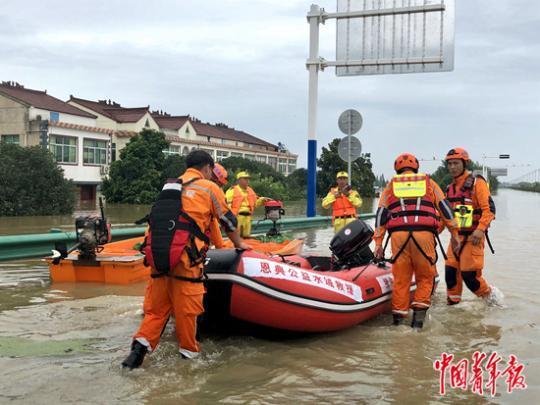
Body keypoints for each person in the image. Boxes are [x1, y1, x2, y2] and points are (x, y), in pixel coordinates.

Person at [122, 151, 249, 369]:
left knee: (156, 313)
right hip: (185, 260)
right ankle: (188, 359)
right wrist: (239, 245)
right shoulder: (209, 188)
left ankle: (135, 356)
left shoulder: (170, 187)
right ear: (208, 168)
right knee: (188, 312)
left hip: (158, 258)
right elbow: (227, 222)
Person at [373, 153, 460, 328]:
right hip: (424, 236)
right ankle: (417, 324)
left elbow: (381, 214)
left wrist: (378, 243)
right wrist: (455, 234)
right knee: (425, 277)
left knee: (401, 279)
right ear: (416, 167)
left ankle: (398, 322)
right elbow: (445, 209)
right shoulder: (429, 183)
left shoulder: (391, 185)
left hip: (399, 237)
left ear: (397, 168)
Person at [443, 147, 503, 306]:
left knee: (470, 277)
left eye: (455, 163)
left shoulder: (478, 183)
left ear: (465, 163)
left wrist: (480, 229)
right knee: (450, 274)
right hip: (456, 239)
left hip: (473, 238)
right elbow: (444, 216)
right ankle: (453, 307)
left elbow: (489, 209)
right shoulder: (450, 188)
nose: (452, 167)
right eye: (449, 164)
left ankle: (494, 300)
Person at [225, 171, 269, 237]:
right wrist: (230, 219)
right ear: (239, 180)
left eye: (248, 179)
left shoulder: (250, 190)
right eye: (245, 179)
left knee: (246, 237)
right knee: (237, 238)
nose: (247, 180)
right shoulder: (232, 190)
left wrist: (262, 200)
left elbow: (255, 203)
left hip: (248, 218)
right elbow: (227, 206)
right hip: (237, 218)